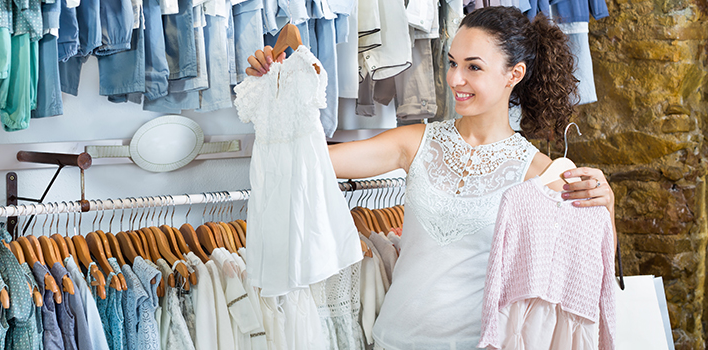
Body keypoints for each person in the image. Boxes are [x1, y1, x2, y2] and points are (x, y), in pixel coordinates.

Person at [245, 6, 615, 349]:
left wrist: (607, 204)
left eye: (473, 67)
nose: (455, 78)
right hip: (391, 339)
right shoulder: (416, 142)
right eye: (453, 62)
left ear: (513, 74)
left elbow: (587, 276)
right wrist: (281, 90)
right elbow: (307, 162)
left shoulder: (542, 176)